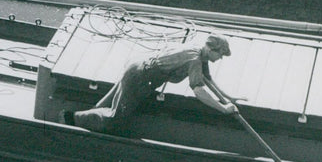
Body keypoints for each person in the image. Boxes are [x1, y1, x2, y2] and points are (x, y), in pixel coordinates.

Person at [61, 34, 238, 134]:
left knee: (106, 104)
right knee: (115, 119)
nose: (220, 58)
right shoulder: (195, 60)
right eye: (220, 54)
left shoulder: (198, 50)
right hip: (139, 78)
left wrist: (228, 98)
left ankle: (83, 119)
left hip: (137, 66)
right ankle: (70, 118)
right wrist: (223, 109)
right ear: (211, 50)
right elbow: (199, 91)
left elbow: (208, 79)